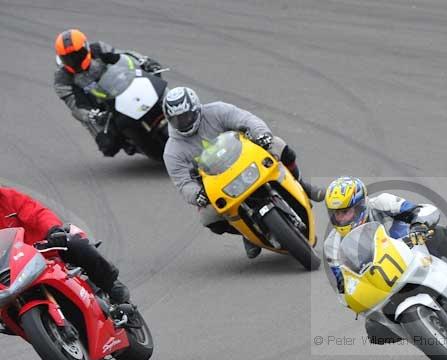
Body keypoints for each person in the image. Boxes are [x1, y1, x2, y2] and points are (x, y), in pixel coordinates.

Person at [162, 86, 326, 259]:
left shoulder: (217, 110)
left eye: (186, 116)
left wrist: (263, 135)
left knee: (277, 144)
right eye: (176, 120)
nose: (183, 122)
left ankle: (301, 184)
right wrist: (197, 195)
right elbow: (182, 183)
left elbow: (246, 119)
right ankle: (247, 233)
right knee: (208, 218)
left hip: (246, 159)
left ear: (196, 109)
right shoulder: (172, 151)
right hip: (217, 183)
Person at [322, 176, 447, 297]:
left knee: (444, 234)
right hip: (381, 281)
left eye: (345, 212)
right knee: (374, 330)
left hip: (413, 252)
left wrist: (418, 227)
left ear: (360, 206)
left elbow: (422, 210)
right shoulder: (332, 245)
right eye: (336, 213)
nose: (341, 218)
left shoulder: (381, 203)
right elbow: (342, 283)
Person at [0, 187, 129, 304]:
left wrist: (53, 231)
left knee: (77, 246)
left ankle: (111, 286)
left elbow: (37, 213)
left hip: (45, 249)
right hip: (10, 274)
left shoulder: (7, 197)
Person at [53, 28, 163, 157]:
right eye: (68, 58)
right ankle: (130, 142)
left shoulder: (98, 49)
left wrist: (143, 61)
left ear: (86, 48)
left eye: (77, 54)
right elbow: (75, 106)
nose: (73, 60)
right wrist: (92, 115)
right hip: (98, 108)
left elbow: (123, 57)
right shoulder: (62, 78)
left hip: (119, 86)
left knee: (155, 80)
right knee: (108, 145)